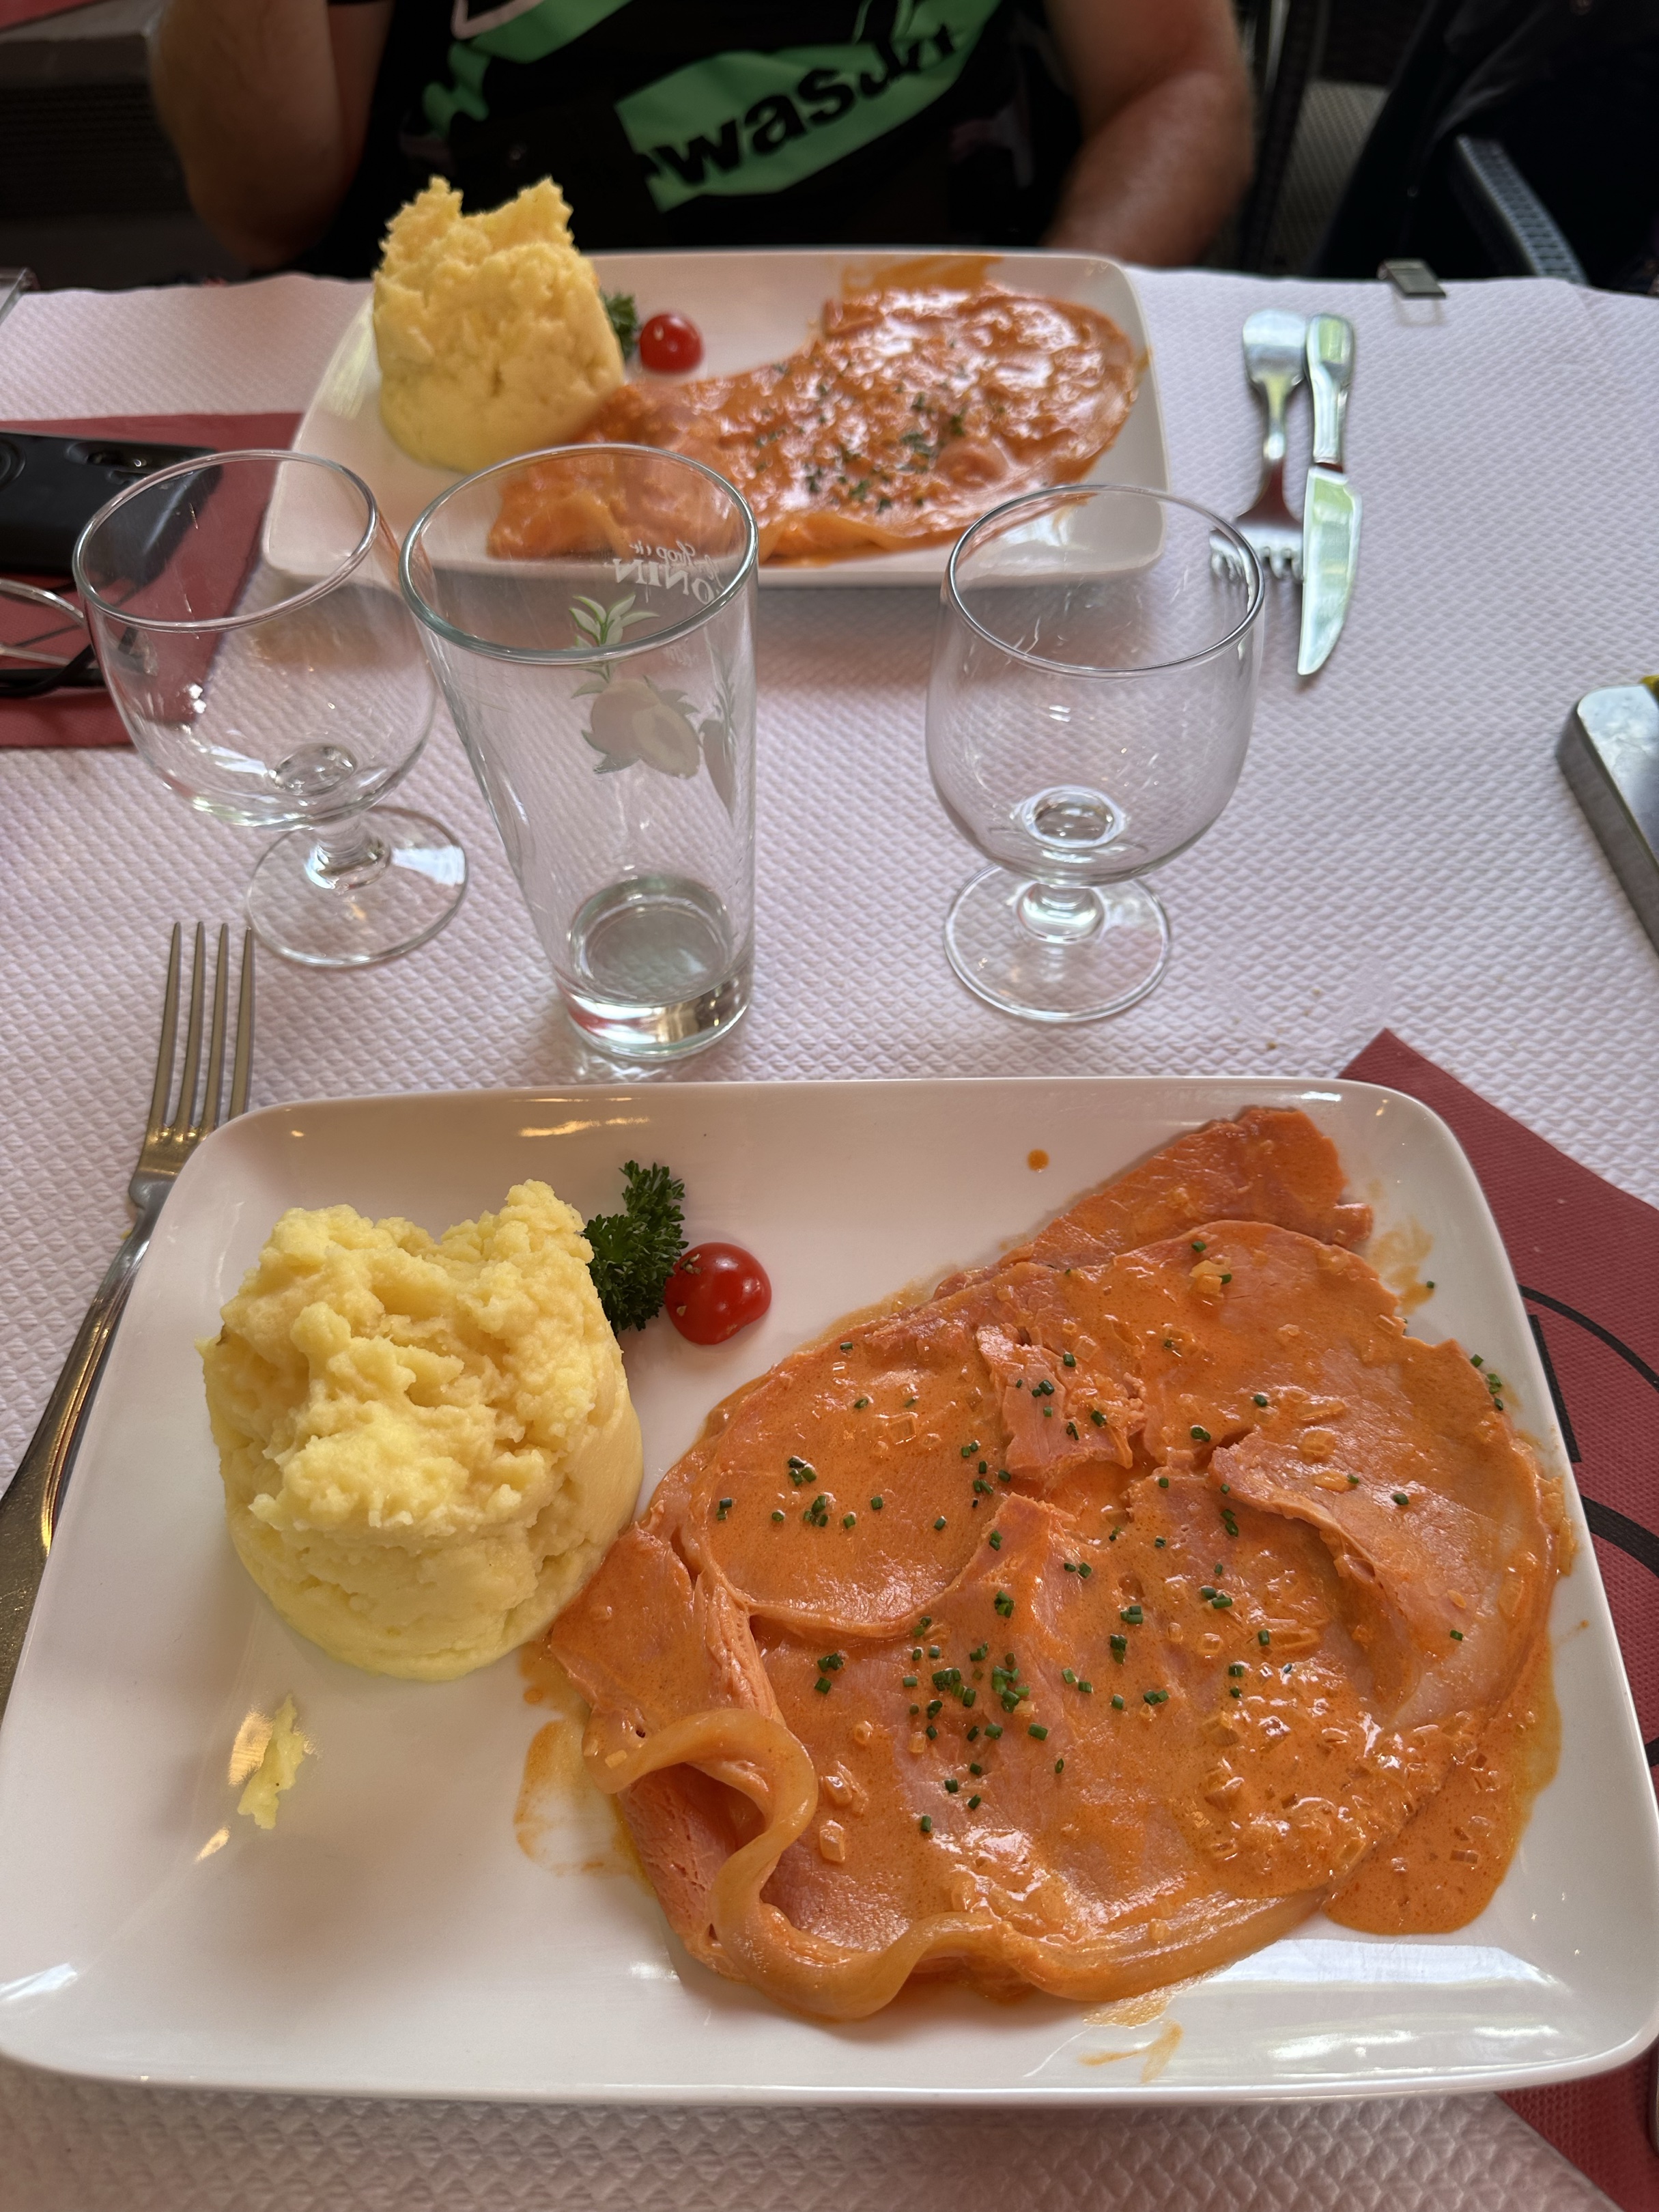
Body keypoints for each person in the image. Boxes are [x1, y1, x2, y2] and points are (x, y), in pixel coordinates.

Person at [151, 0, 1252, 279]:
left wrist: (1046, 328)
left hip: (935, 292)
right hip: (489, 369)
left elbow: (1174, 84)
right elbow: (266, 207)